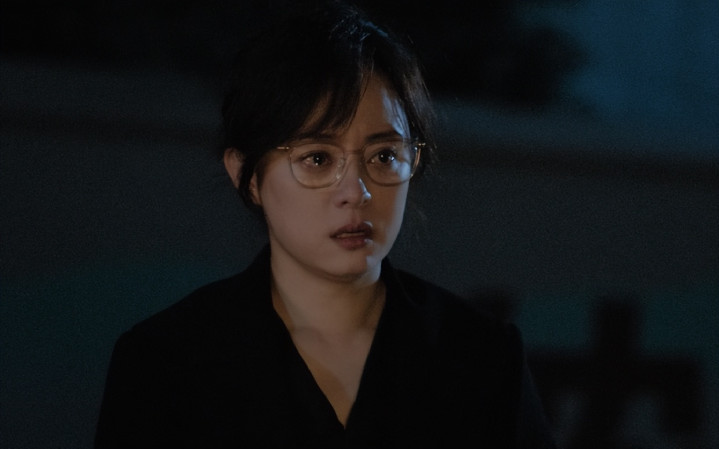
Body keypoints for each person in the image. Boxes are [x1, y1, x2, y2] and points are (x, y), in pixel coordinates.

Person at [94, 1, 556, 447]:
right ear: (246, 176)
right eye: (317, 158)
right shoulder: (168, 362)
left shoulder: (482, 358)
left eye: (384, 156)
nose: (356, 192)